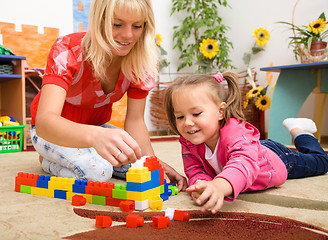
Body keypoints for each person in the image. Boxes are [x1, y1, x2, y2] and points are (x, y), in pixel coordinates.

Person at [30, 0, 187, 191]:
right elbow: (45, 122)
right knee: (98, 172)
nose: (128, 35)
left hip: (97, 129)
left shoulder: (140, 62)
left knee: (139, 169)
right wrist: (96, 136)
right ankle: (48, 161)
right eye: (117, 24)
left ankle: (79, 156)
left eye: (137, 26)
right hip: (53, 133)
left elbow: (135, 121)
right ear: (99, 20)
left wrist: (152, 164)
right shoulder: (68, 49)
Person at [164, 71, 328, 213]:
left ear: (220, 111)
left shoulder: (235, 131)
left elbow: (243, 164)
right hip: (253, 146)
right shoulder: (188, 141)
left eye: (197, 114)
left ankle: (299, 131)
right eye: (180, 116)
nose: (187, 123)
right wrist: (202, 186)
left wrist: (220, 186)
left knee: (321, 161)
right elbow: (194, 169)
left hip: (277, 158)